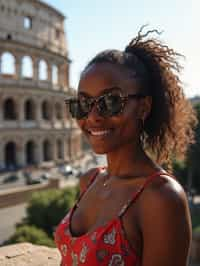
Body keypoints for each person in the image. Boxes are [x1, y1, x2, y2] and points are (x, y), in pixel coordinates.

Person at [54, 26, 197, 266]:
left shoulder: (161, 197)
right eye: (83, 103)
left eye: (110, 101)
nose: (92, 116)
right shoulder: (89, 181)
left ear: (143, 107)